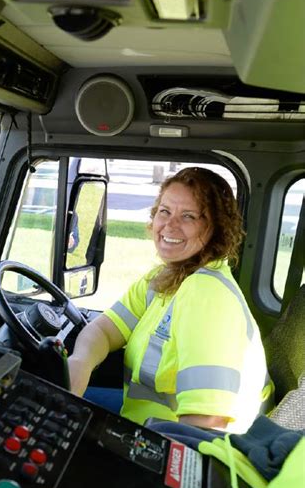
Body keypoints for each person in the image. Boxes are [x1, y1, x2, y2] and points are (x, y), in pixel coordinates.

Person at [68, 167, 273, 432]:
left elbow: (207, 423)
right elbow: (105, 330)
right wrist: (79, 363)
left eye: (188, 216)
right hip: (141, 421)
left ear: (217, 228)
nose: (169, 225)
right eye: (164, 211)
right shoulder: (165, 278)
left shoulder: (205, 293)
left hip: (170, 446)